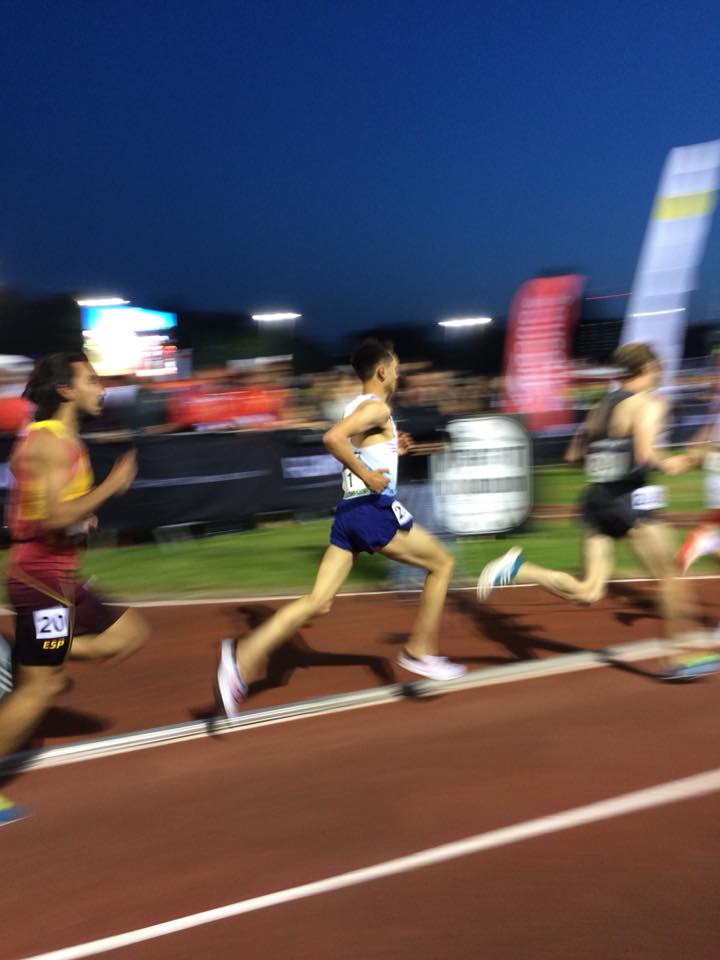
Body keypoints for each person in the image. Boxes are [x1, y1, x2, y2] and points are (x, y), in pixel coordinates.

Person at [216, 339, 466, 716]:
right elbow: (332, 438)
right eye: (396, 368)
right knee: (443, 564)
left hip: (349, 513)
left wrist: (391, 450)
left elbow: (358, 444)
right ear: (381, 371)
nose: (398, 375)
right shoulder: (377, 407)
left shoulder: (357, 405)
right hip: (371, 511)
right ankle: (420, 650)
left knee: (318, 602)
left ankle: (241, 659)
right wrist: (368, 473)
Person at [477, 342, 720, 682]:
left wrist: (610, 455)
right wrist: (680, 461)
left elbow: (573, 455)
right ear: (647, 368)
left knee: (588, 591)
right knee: (669, 578)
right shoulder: (649, 403)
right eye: (658, 367)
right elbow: (647, 455)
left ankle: (518, 569)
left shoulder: (599, 407)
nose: (660, 373)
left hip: (597, 500)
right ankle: (680, 658)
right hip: (628, 498)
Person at [0, 353, 149, 824]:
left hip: (62, 573)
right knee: (40, 688)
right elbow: (51, 518)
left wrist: (81, 518)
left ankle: (23, 652)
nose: (101, 389)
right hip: (39, 578)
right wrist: (109, 487)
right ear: (66, 390)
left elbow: (53, 513)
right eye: (92, 381)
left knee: (127, 636)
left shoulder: (63, 439)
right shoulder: (48, 442)